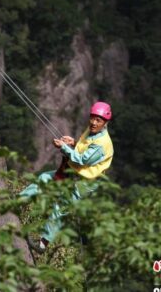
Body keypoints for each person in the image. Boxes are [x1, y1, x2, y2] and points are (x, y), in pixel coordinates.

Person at [20, 101, 114, 253]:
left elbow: (82, 160)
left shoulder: (102, 143)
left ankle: (42, 245)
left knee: (60, 208)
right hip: (74, 173)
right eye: (92, 118)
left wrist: (63, 147)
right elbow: (84, 148)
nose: (93, 122)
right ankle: (18, 200)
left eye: (98, 120)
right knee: (45, 178)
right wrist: (74, 142)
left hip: (84, 183)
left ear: (105, 123)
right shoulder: (92, 132)